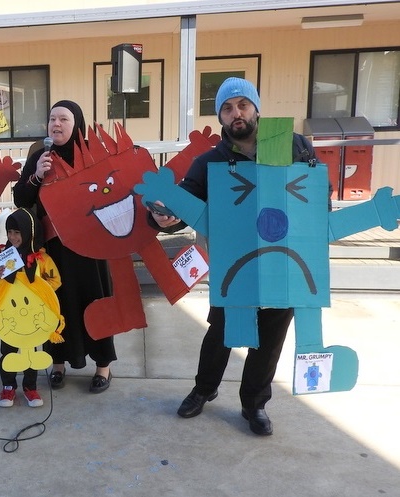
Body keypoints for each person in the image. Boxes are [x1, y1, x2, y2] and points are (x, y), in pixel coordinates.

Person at [146, 77, 318, 435]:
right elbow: (184, 202)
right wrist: (162, 214)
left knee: (270, 337)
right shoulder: (211, 162)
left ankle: (254, 404)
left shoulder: (294, 146)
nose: (235, 113)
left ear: (256, 108)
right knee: (222, 331)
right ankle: (203, 389)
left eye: (242, 105)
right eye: (227, 108)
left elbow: (317, 195)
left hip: (282, 262)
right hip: (233, 267)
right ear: (221, 117)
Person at [13, 100, 116, 394]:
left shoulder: (93, 155)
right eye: (52, 119)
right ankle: (57, 364)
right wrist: (37, 176)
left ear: (77, 124)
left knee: (94, 302)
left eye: (64, 119)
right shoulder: (40, 157)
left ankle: (103, 366)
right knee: (55, 304)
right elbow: (22, 198)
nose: (56, 124)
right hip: (53, 249)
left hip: (90, 248)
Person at [0, 207, 61, 407]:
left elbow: (55, 282)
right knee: (8, 350)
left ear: (29, 232)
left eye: (17, 232)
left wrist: (40, 288)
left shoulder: (42, 258)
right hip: (10, 315)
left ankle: (30, 388)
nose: (13, 237)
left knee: (31, 349)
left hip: (33, 315)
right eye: (10, 232)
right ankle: (8, 388)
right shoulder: (6, 255)